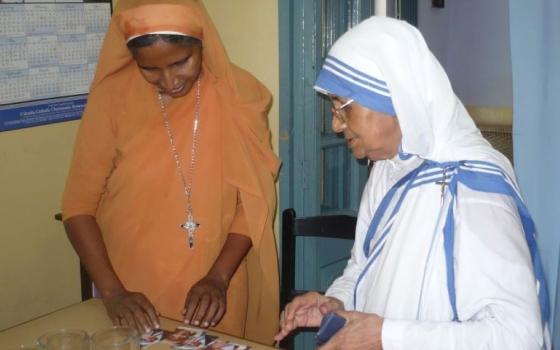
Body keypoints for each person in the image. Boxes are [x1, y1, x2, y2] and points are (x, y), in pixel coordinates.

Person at [275, 16, 551, 349]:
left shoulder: (472, 189)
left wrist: (384, 336)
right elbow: (363, 265)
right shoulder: (389, 167)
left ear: (392, 95)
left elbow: (519, 336)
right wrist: (334, 302)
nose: (336, 125)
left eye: (343, 107)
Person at [61, 0, 280, 344]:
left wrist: (219, 277)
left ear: (201, 41)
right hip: (131, 290)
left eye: (181, 62)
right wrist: (114, 292)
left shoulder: (238, 96)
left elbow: (253, 201)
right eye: (149, 69)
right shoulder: (111, 98)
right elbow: (78, 208)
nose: (169, 80)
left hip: (216, 289)